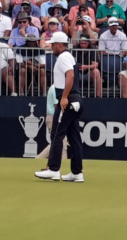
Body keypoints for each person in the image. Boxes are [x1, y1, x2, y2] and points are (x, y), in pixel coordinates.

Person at [34, 31, 84, 182]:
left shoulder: (63, 57)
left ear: (60, 45)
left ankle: (54, 169)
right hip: (75, 100)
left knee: (56, 134)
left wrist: (63, 97)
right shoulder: (68, 56)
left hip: (67, 101)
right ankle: (76, 173)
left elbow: (70, 75)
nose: (52, 48)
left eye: (53, 45)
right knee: (74, 138)